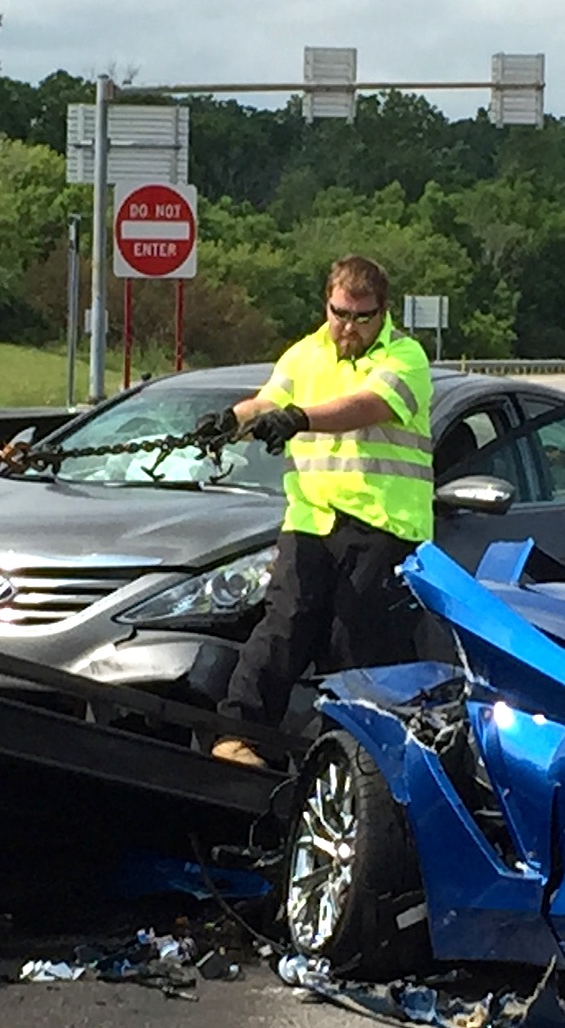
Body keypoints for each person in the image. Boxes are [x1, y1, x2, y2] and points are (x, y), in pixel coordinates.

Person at [207, 255, 434, 770]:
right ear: (326, 303)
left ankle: (352, 762)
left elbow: (365, 406)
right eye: (339, 313)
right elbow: (268, 402)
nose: (348, 327)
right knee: (282, 627)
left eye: (362, 317)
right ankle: (236, 739)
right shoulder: (304, 354)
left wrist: (299, 417)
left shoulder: (405, 357)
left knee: (358, 647)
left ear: (384, 312)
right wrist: (230, 421)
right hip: (312, 519)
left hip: (383, 526)